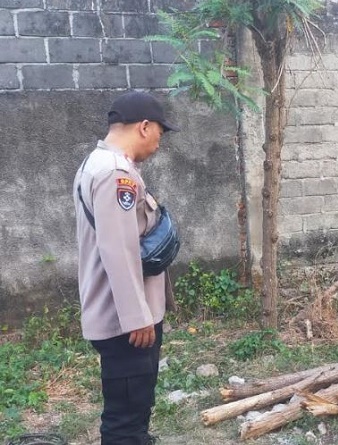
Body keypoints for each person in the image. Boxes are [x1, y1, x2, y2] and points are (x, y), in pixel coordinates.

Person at [73, 91, 179, 445]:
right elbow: (117, 248)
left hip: (120, 315)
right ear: (144, 127)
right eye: (160, 136)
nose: (159, 146)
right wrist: (138, 316)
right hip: (126, 323)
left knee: (134, 408)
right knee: (125, 419)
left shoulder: (97, 164)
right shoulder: (116, 173)